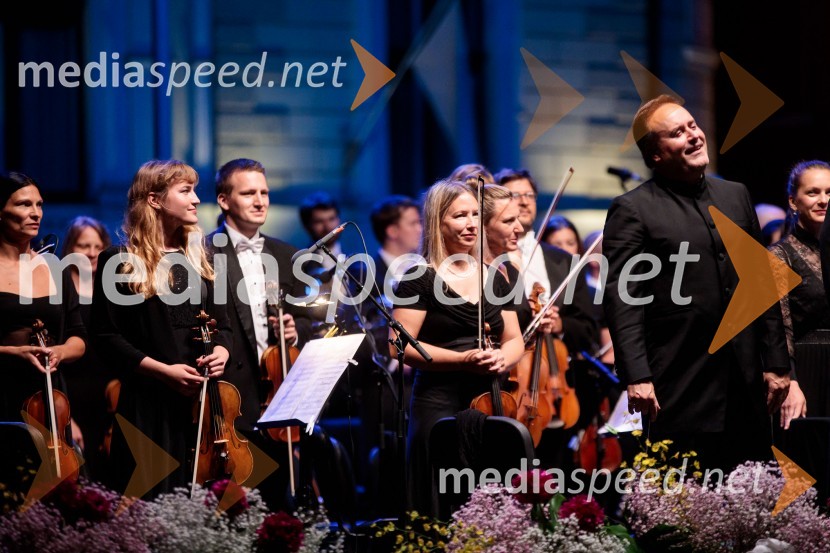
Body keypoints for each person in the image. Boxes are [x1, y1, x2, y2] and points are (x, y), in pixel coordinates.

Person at [603, 95, 790, 471]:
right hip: (678, 378)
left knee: (748, 493)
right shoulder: (633, 209)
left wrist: (777, 362)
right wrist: (637, 376)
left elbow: (759, 284)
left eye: (692, 125)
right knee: (684, 498)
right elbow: (624, 299)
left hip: (744, 376)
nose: (693, 136)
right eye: (677, 133)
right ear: (655, 154)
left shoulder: (735, 195)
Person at [92, 160, 231, 499]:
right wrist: (162, 372)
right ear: (154, 200)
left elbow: (223, 325)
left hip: (201, 407)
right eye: (185, 191)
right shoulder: (119, 259)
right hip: (148, 404)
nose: (196, 199)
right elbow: (105, 336)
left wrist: (221, 352)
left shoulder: (205, 258)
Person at [391, 179, 525, 514]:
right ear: (438, 222)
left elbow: (514, 339)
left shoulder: (494, 276)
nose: (470, 224)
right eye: (459, 215)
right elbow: (400, 345)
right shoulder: (418, 277)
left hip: (489, 401)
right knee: (441, 501)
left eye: (475, 214)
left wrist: (501, 358)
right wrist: (462, 359)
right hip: (439, 404)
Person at [207, 158, 312, 509]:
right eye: (248, 192)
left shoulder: (287, 254)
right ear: (224, 200)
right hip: (231, 397)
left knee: (280, 501)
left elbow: (309, 318)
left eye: (264, 192)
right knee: (234, 504)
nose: (260, 201)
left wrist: (296, 331)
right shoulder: (204, 253)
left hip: (278, 394)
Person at [0, 172, 86, 454]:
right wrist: (14, 352)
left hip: (49, 397)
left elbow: (78, 337)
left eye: (39, 205)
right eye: (24, 205)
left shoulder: (55, 269)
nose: (35, 213)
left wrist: (60, 351)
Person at [770, 161, 830, 426]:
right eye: (813, 192)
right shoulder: (780, 256)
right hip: (807, 370)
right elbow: (779, 329)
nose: (824, 200)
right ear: (793, 201)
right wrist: (791, 382)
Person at [59, 215, 114, 482]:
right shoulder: (57, 289)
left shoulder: (114, 289)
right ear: (70, 248)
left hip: (109, 396)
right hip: (72, 393)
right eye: (84, 246)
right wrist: (67, 418)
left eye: (98, 246)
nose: (92, 253)